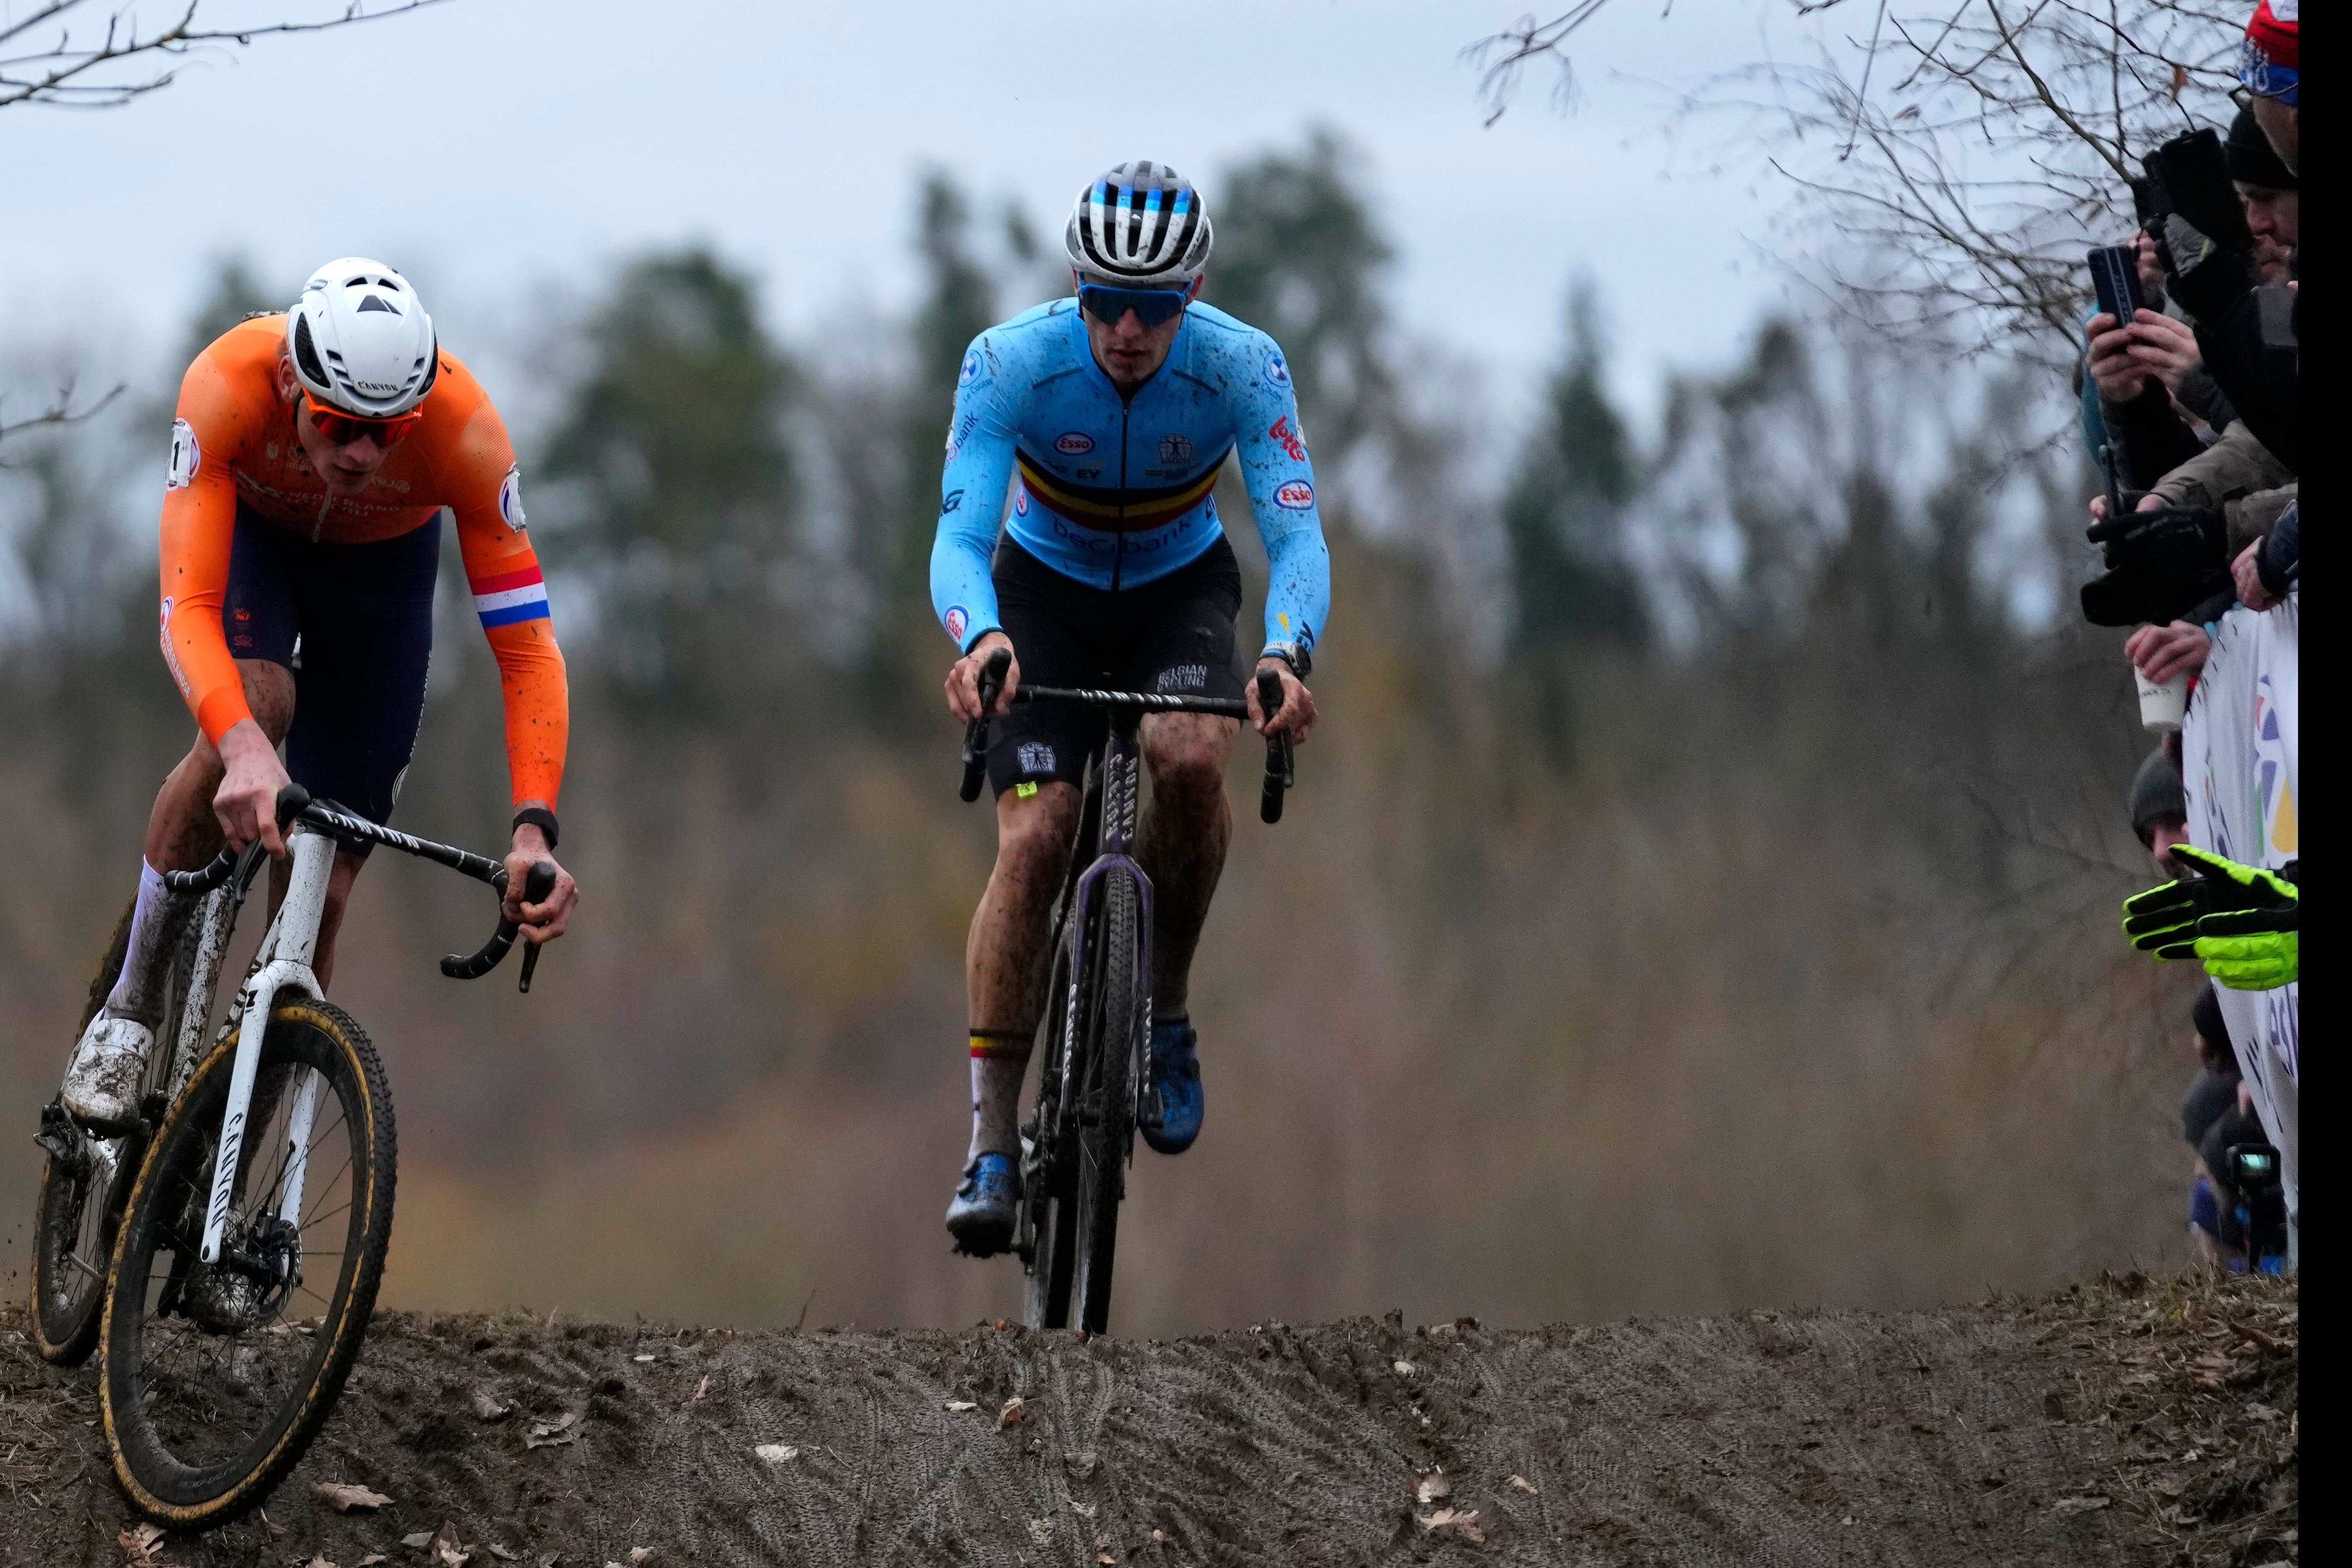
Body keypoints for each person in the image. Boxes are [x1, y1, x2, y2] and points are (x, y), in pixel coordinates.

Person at [58, 258, 579, 1130]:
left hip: (382, 583)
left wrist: (535, 828)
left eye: (388, 432)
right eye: (339, 426)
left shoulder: (468, 434)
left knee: (325, 870)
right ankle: (129, 1010)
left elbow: (527, 650)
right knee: (258, 705)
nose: (362, 453)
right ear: (296, 382)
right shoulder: (227, 382)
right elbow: (184, 609)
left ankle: (230, 1172)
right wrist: (242, 748)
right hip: (257, 544)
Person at [931, 162, 1330, 1254]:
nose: (1124, 329)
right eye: (1104, 301)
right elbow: (961, 539)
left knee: (1195, 758)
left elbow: (1295, 537)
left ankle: (1162, 1005)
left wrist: (1287, 654)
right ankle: (989, 1143)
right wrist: (982, 638)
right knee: (1037, 837)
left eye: (1152, 309)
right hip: (1039, 593)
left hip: (1176, 592)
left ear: (1190, 296)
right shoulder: (1007, 360)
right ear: (1076, 285)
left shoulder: (1244, 366)